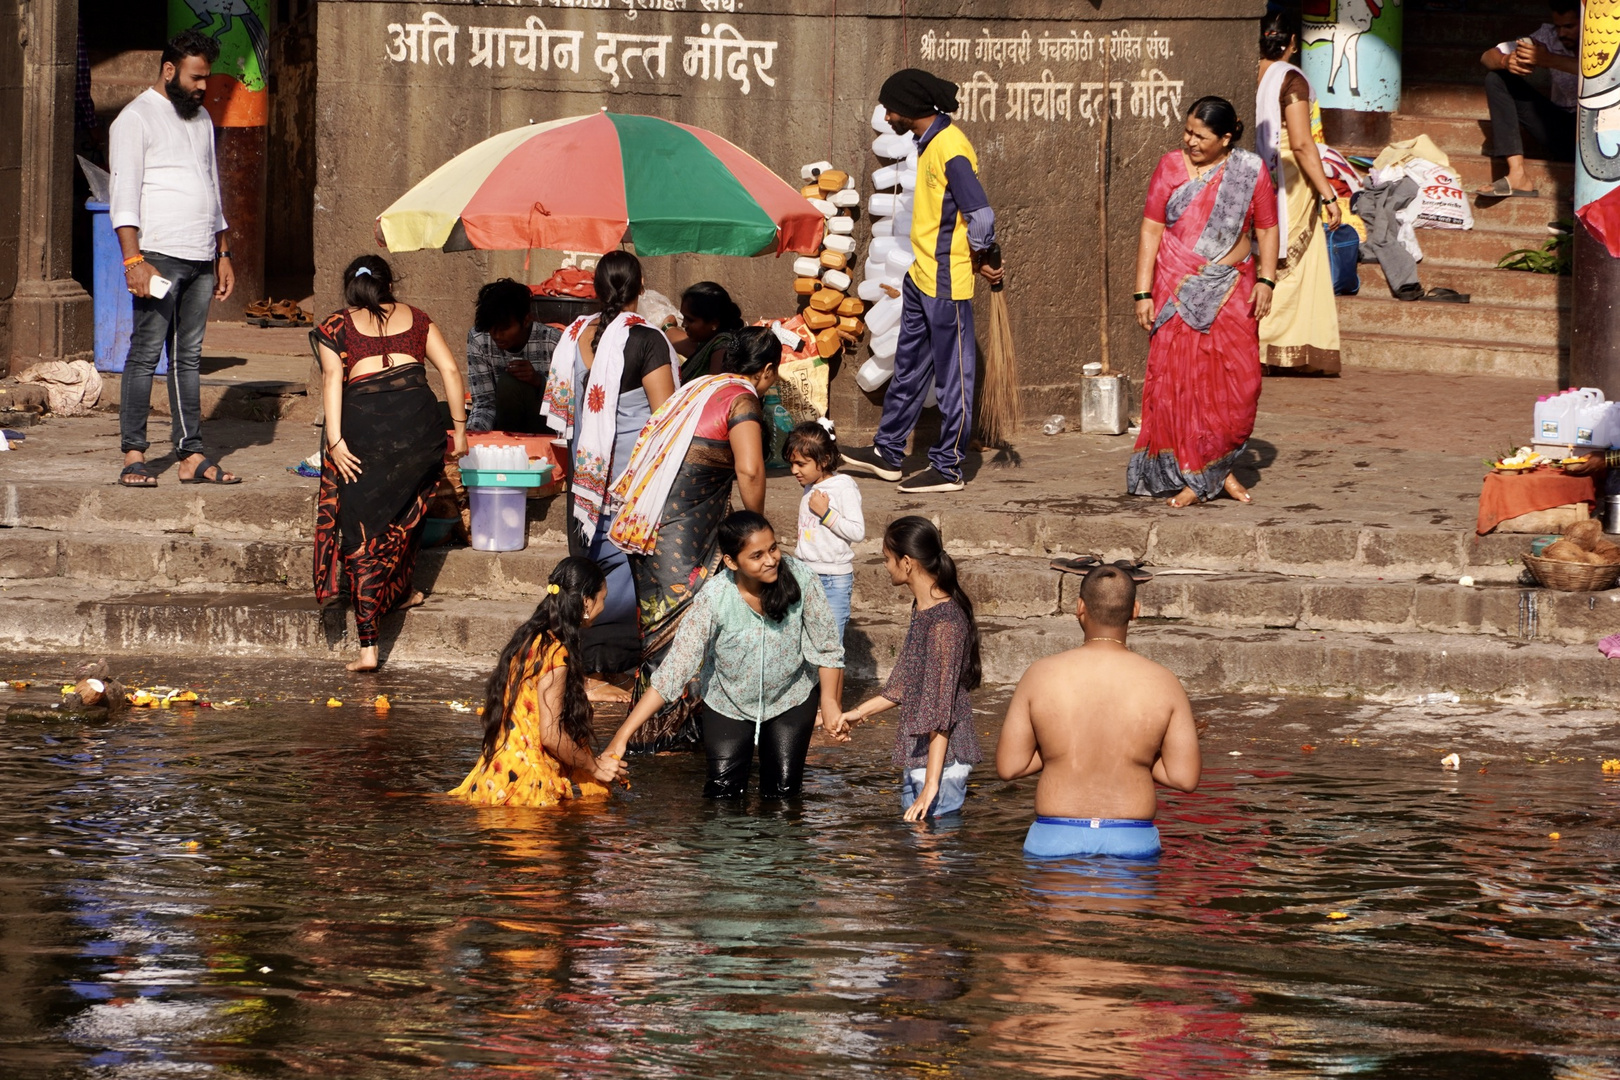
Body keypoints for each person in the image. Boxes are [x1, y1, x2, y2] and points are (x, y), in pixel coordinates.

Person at [601, 327, 778, 750]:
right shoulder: (742, 400)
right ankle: (672, 739)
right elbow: (750, 470)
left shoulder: (696, 387)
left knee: (664, 634)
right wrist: (756, 532)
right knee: (688, 634)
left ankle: (659, 737)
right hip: (681, 536)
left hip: (649, 529)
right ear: (768, 370)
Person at [603, 511, 847, 799]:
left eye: (773, 548)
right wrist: (622, 736)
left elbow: (827, 646)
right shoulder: (715, 597)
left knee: (783, 793)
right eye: (756, 556)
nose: (770, 560)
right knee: (722, 794)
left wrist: (830, 702)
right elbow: (674, 670)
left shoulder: (801, 578)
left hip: (790, 696)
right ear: (732, 562)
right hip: (727, 701)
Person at [840, 69, 1004, 495]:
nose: (887, 117)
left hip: (947, 281)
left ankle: (949, 465)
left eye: (890, 108)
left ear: (910, 107)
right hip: (920, 274)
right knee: (910, 366)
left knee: (955, 377)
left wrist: (983, 253)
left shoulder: (951, 147)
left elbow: (980, 214)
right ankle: (888, 452)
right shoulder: (927, 142)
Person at [313, 256, 469, 672]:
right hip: (421, 432)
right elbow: (451, 370)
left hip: (365, 436)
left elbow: (332, 381)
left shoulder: (335, 326)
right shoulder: (418, 319)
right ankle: (401, 592)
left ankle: (368, 647)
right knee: (405, 515)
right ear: (389, 284)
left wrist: (335, 442)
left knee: (363, 534)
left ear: (351, 287)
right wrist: (460, 428)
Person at [1129, 96, 1279, 508]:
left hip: (1234, 288)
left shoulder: (1250, 170)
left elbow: (1267, 229)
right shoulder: (1170, 167)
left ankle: (1212, 467)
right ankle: (1204, 474)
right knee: (1183, 384)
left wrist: (1267, 279)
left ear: (1226, 138)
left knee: (1241, 386)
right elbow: (1151, 229)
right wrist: (1143, 291)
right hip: (1177, 288)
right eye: (1188, 131)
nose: (1190, 140)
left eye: (1201, 135)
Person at [995, 564, 1201, 859]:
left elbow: (1009, 766)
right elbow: (1185, 778)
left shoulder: (1040, 675)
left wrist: (1058, 750)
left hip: (1053, 837)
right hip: (1132, 839)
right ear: (1135, 610)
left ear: (1080, 607)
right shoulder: (1164, 682)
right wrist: (1137, 753)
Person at [108, 30, 238, 488]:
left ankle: (191, 455)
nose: (203, 87)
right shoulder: (134, 119)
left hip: (202, 254)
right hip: (158, 256)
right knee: (144, 354)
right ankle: (134, 454)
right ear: (169, 70)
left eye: (206, 78)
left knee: (188, 357)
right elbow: (122, 198)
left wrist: (222, 251)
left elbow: (212, 186)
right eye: (196, 77)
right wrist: (132, 261)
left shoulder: (200, 118)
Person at [540, 252, 679, 665]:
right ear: (641, 286)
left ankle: (581, 662)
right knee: (627, 576)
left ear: (596, 289)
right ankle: (608, 666)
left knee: (592, 572)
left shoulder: (576, 335)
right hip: (630, 486)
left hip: (587, 484)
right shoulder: (646, 339)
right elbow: (666, 419)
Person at [448, 557, 627, 806]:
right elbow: (551, 736)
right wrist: (595, 767)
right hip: (528, 787)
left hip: (497, 774)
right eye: (603, 598)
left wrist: (587, 689)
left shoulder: (529, 638)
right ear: (586, 601)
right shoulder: (556, 653)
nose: (604, 607)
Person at [840, 516, 982, 822]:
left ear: (907, 563)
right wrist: (859, 713)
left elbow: (940, 710)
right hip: (924, 757)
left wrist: (931, 786)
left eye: (887, 559)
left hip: (941, 764)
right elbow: (906, 681)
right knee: (920, 859)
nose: (886, 567)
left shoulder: (945, 624)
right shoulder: (922, 609)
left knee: (933, 858)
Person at [1255, 11, 1343, 377]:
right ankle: (1269, 343)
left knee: (1266, 259)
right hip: (1290, 178)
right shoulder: (1290, 79)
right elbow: (1304, 145)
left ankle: (1263, 343)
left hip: (1259, 174)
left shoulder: (1252, 71)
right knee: (1289, 263)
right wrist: (1329, 194)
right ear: (1293, 42)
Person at [1476, 0, 1579, 199]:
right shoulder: (1548, 36)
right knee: (1496, 78)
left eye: (1569, 27)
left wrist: (1547, 59)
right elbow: (1487, 56)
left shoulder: (1606, 38)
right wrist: (1506, 61)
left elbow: (1603, 74)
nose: (1561, 33)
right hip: (1561, 129)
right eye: (1558, 27)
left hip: (1599, 136)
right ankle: (1518, 175)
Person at [785, 420, 864, 641]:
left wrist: (826, 514)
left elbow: (857, 531)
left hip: (833, 579)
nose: (794, 471)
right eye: (792, 464)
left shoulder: (843, 486)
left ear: (824, 460)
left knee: (830, 645)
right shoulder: (810, 486)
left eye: (801, 464)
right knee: (806, 641)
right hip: (805, 576)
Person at [466, 278, 559, 434]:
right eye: (491, 328)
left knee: (509, 383)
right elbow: (484, 403)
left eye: (504, 328)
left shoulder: (553, 341)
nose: (496, 335)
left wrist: (538, 381)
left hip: (543, 425)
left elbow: (568, 403)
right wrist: (474, 437)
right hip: (501, 427)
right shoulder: (479, 338)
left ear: (526, 320)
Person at [671, 281, 745, 383]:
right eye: (684, 318)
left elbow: (715, 390)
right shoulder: (707, 342)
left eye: (690, 320)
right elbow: (674, 338)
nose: (684, 324)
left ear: (714, 323)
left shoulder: (722, 348)